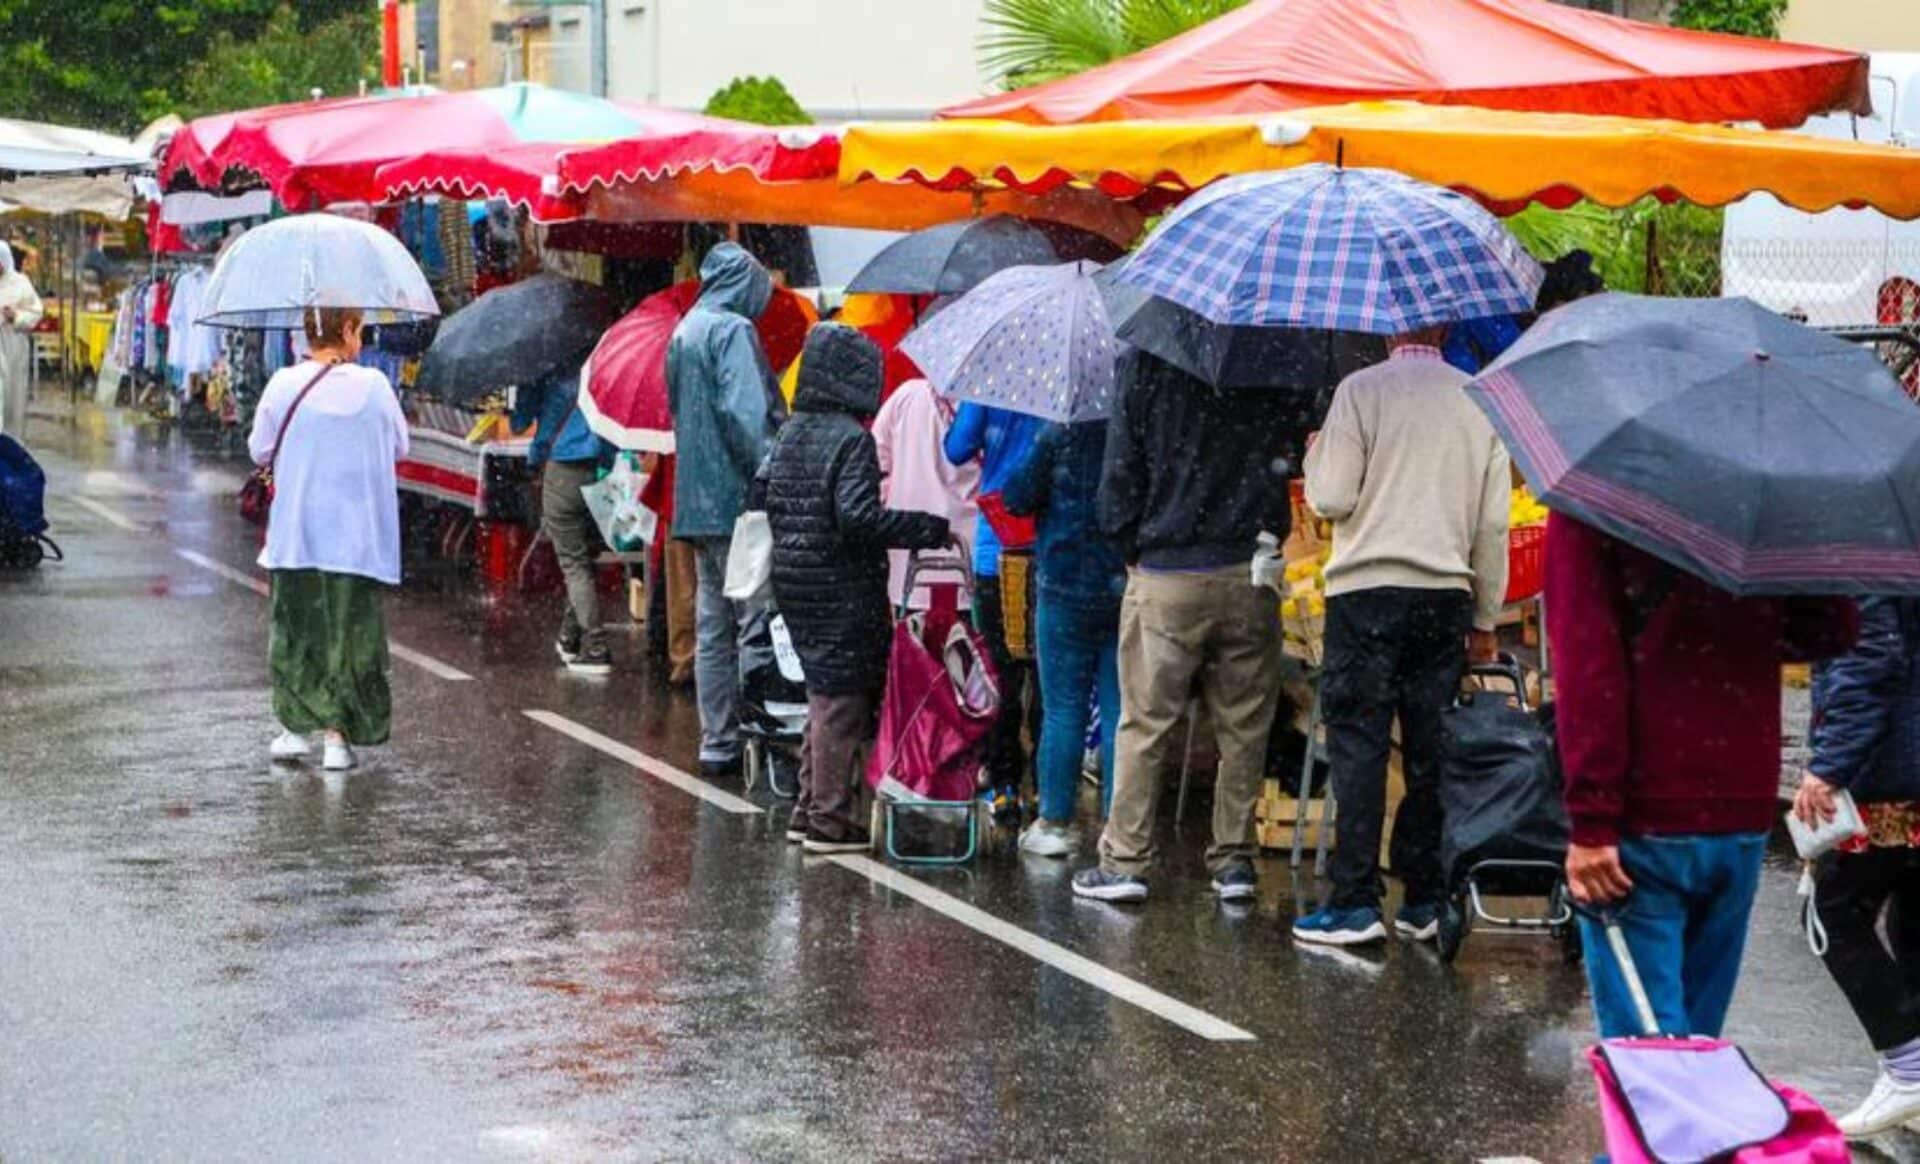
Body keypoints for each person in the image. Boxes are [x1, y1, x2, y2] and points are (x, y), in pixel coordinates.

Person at [1550, 511, 1855, 1038]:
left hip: (1644, 811)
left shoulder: (1597, 500)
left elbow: (1588, 666)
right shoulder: (1764, 494)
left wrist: (1592, 821)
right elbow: (1833, 626)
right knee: (1696, 1051)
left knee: (1651, 1066)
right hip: (1741, 803)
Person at [1293, 329, 1512, 946]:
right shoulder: (1480, 399)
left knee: (1361, 744)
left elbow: (1331, 496)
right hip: (1444, 596)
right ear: (1444, 329)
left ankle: (1356, 901)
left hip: (1365, 591)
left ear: (1392, 328)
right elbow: (1492, 525)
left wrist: (1315, 457)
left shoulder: (1359, 391)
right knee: (1428, 748)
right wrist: (1486, 620)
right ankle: (1424, 897)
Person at [1071, 350, 1293, 904]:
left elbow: (1120, 474)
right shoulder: (1266, 355)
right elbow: (1286, 455)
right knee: (1243, 725)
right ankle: (1234, 860)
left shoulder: (1146, 361)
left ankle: (1125, 858)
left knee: (1146, 721)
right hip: (1249, 568)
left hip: (1167, 568)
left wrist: (1129, 542)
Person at [759, 324, 948, 853]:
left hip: (796, 580)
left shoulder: (792, 431)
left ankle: (807, 808)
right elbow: (858, 518)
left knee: (822, 692)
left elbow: (761, 488)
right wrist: (922, 526)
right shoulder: (850, 439)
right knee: (843, 700)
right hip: (841, 584)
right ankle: (829, 821)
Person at [249, 308, 409, 773]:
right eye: (359, 330)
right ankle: (339, 738)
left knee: (297, 628)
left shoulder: (282, 384)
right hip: (357, 536)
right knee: (350, 634)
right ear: (346, 331)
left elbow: (259, 449)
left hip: (298, 529)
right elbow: (400, 445)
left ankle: (296, 729)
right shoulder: (375, 386)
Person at [1796, 595, 1920, 1138]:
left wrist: (1828, 766)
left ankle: (1909, 1069)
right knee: (1911, 921)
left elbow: (1868, 662)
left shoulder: (1866, 550)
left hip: (1888, 773)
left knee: (1832, 914)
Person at [666, 242, 782, 778]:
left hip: (696, 500)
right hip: (738, 500)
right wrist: (772, 470)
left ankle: (718, 739)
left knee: (713, 622)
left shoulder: (685, 331)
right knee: (755, 615)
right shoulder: (732, 331)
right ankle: (763, 732)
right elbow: (746, 416)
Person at [1004, 418, 1125, 857]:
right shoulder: (1132, 428)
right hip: (1122, 584)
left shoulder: (1057, 430)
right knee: (1119, 711)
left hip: (1063, 584)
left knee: (1063, 710)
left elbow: (1016, 496)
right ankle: (1118, 823)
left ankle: (1055, 822)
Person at [944, 401, 1045, 812]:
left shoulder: (992, 387)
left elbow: (954, 450)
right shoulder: (1070, 385)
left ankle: (1003, 782)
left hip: (997, 548)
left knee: (1000, 672)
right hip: (1047, 546)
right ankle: (1046, 785)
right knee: (1048, 678)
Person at [512, 363, 613, 675]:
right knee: (585, 560)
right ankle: (570, 639)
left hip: (563, 470)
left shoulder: (547, 367)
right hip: (600, 469)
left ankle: (596, 648)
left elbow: (519, 423)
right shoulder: (604, 364)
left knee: (573, 562)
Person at [873, 376, 978, 610]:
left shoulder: (905, 395)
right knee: (968, 640)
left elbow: (877, 457)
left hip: (909, 547)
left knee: (911, 637)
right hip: (967, 545)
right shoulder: (983, 403)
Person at [0, 242, 45, 438]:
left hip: (13, 346)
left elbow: (36, 313)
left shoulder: (20, 283)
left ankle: (10, 451)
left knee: (12, 400)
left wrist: (15, 317)